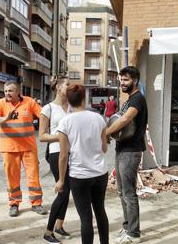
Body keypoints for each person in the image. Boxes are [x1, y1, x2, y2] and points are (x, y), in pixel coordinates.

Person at [55, 84, 109, 244]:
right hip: (100, 173)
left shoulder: (65, 122)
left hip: (79, 176)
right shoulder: (98, 118)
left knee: (86, 218)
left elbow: (63, 156)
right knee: (100, 211)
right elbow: (104, 148)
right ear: (84, 99)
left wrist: (61, 180)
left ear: (68, 100)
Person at [0, 80, 46, 217]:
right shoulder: (0, 104)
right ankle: (14, 204)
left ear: (18, 91)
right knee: (12, 177)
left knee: (33, 176)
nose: (7, 93)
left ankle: (36, 203)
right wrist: (6, 118)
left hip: (28, 147)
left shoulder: (29, 102)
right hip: (9, 148)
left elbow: (43, 116)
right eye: (6, 91)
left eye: (10, 91)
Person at [106, 66, 148, 244]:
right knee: (122, 191)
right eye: (121, 80)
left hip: (131, 151)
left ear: (135, 81)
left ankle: (134, 233)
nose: (122, 83)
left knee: (129, 193)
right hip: (122, 148)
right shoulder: (129, 99)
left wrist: (105, 133)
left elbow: (124, 120)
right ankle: (128, 226)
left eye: (126, 80)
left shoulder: (137, 99)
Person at [39, 75, 72, 243]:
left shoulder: (72, 107)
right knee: (63, 191)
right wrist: (60, 137)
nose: (70, 86)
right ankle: (48, 231)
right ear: (58, 87)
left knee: (67, 191)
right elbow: (42, 136)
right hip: (56, 153)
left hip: (72, 153)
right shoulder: (48, 108)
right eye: (67, 84)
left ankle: (59, 226)